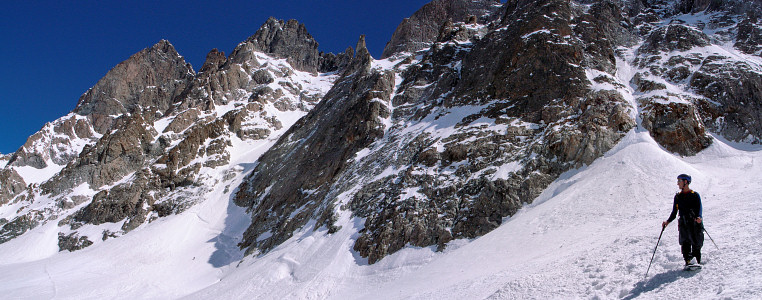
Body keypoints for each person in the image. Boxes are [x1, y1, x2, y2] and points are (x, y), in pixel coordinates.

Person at [662, 174, 704, 266]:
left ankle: (696, 260)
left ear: (685, 182)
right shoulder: (678, 197)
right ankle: (688, 261)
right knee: (685, 242)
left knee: (696, 241)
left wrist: (699, 217)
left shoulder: (695, 195)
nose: (677, 184)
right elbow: (674, 212)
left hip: (694, 222)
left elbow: (699, 209)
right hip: (683, 223)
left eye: (679, 181)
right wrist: (667, 222)